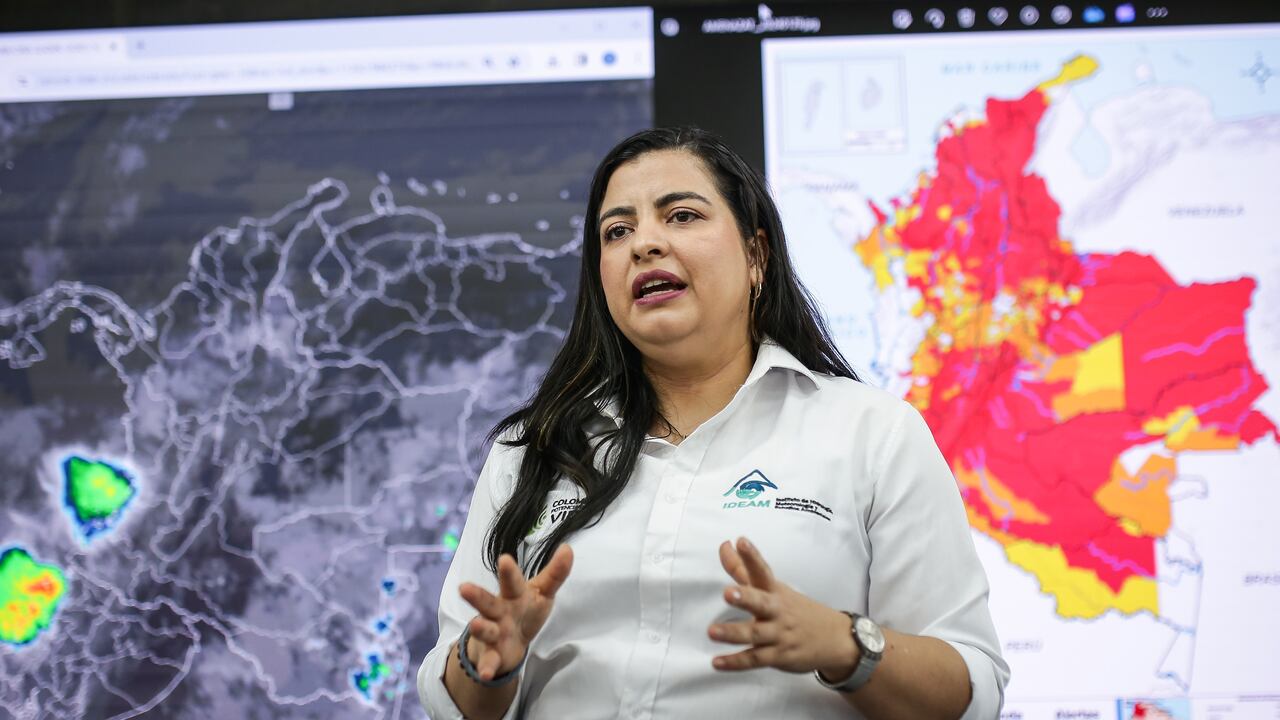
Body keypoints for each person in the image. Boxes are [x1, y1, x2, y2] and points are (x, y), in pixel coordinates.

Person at [416, 127, 1009, 719]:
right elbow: (454, 702)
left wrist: (842, 643)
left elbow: (971, 689)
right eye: (616, 231)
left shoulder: (872, 434)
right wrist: (486, 662)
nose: (644, 244)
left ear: (756, 255)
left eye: (680, 216)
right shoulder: (532, 450)